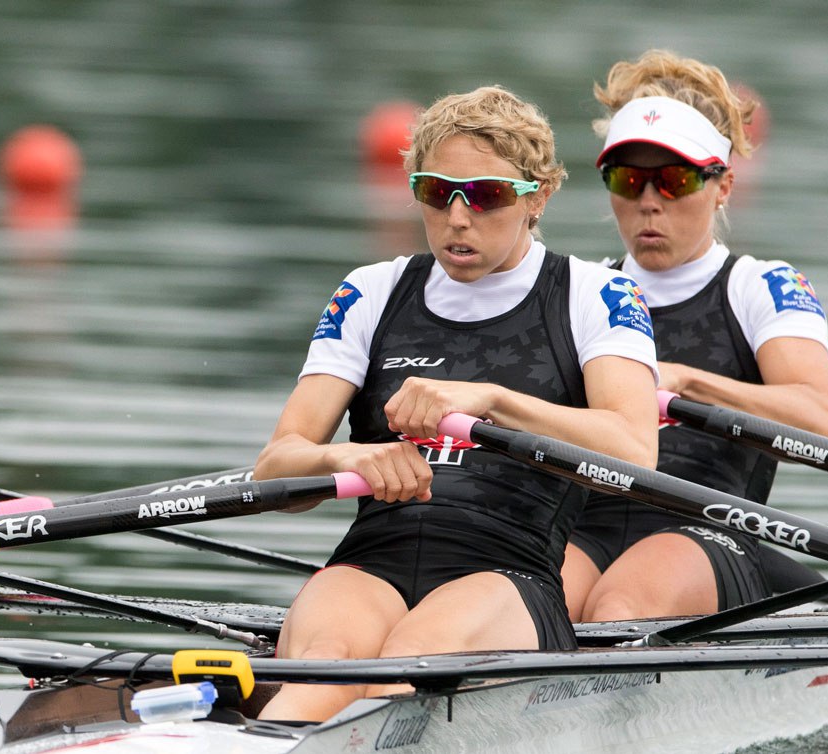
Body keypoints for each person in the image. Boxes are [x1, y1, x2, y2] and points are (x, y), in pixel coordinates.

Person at [255, 85, 659, 722]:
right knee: (321, 677)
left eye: (488, 195)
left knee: (403, 677)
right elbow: (276, 467)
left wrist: (494, 401)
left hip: (508, 576)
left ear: (539, 197)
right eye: (438, 192)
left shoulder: (596, 295)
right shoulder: (371, 292)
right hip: (369, 564)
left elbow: (637, 454)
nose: (458, 217)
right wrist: (352, 456)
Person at [563, 50, 828, 623]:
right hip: (585, 526)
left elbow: (823, 422)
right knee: (531, 603)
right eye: (628, 179)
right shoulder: (580, 290)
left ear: (722, 185)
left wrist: (689, 382)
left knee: (617, 608)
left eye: (673, 180)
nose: (648, 201)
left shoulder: (759, 287)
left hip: (706, 530)